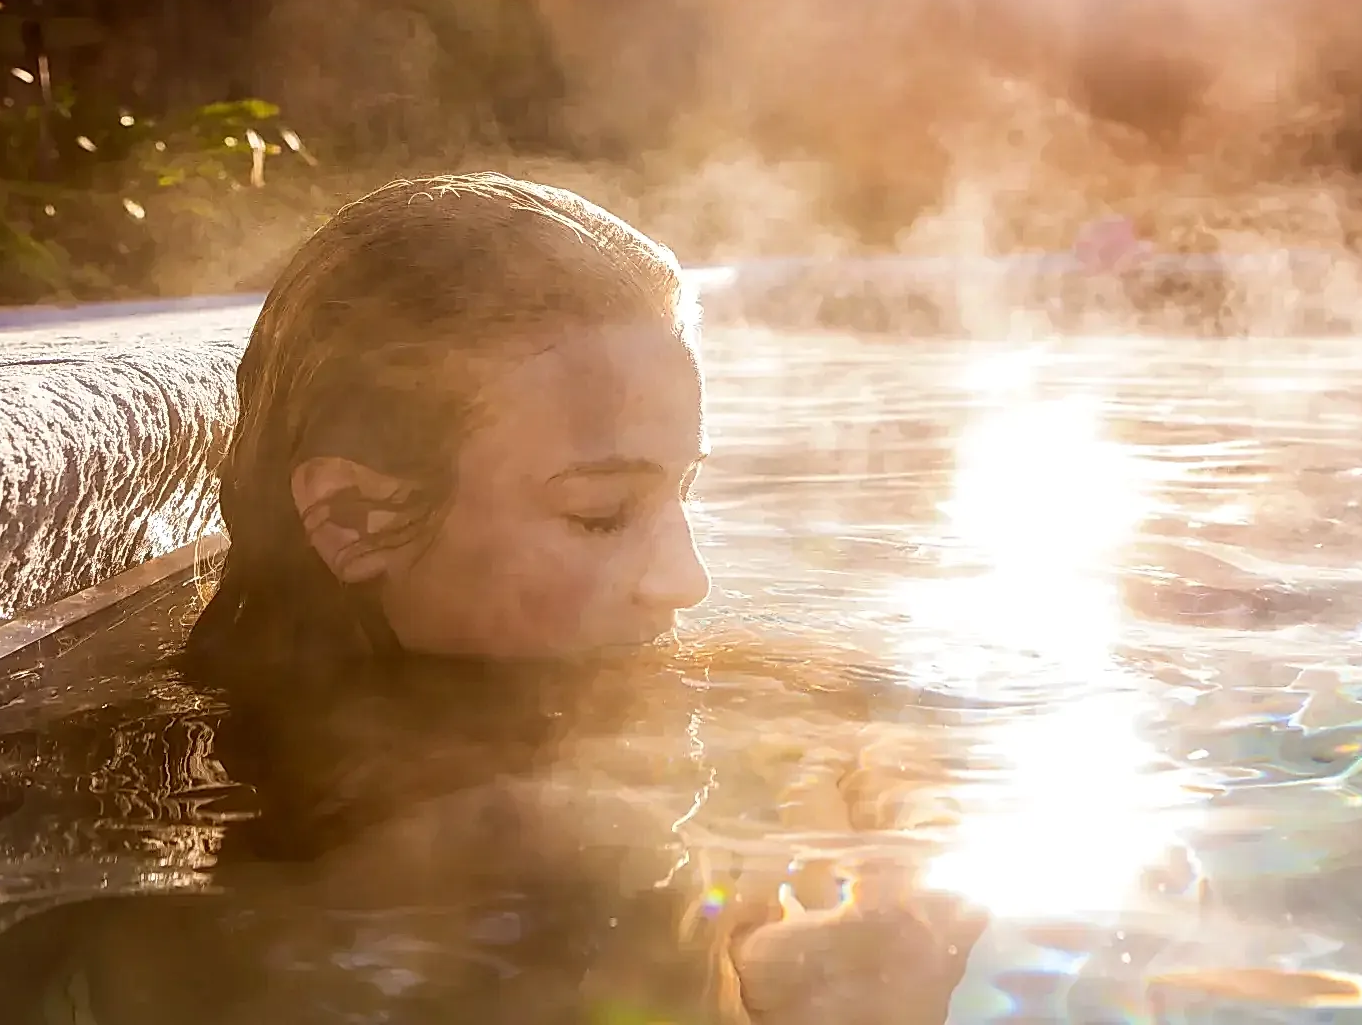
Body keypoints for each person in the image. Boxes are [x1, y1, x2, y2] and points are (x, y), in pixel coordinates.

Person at [104, 173, 978, 1023]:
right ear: (356, 517)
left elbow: (848, 701)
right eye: (602, 515)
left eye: (683, 493)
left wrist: (886, 762)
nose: (687, 579)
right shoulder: (382, 900)